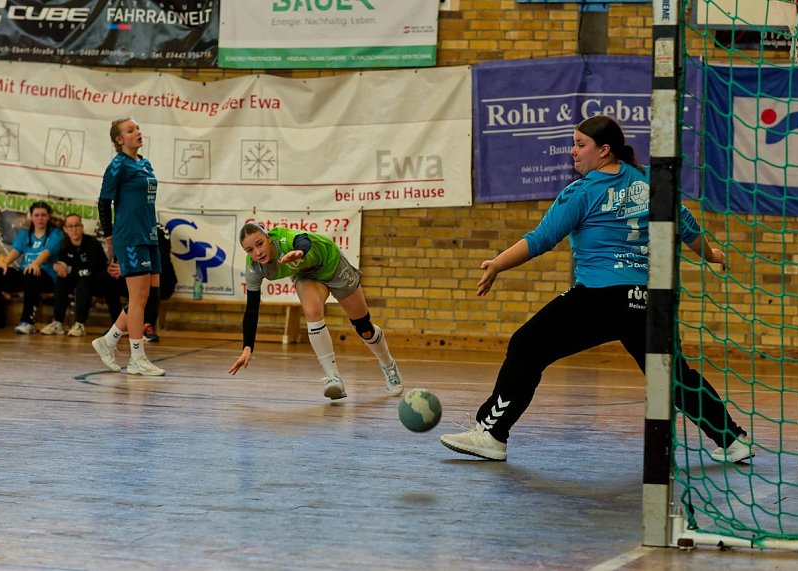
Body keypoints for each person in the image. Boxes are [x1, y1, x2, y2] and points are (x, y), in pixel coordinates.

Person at [440, 115, 753, 464]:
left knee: (526, 346)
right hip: (651, 300)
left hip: (601, 297)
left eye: (579, 144)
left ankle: (491, 434)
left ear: (604, 150)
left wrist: (498, 263)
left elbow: (541, 239)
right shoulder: (651, 179)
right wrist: (711, 255)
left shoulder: (583, 191)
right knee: (675, 377)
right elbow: (687, 224)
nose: (572, 152)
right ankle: (732, 439)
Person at [228, 222, 403, 400]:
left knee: (364, 328)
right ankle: (333, 378)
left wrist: (300, 252)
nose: (257, 252)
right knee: (311, 311)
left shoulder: (283, 238)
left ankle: (389, 365)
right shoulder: (254, 268)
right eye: (250, 249)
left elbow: (303, 240)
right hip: (306, 275)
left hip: (331, 264)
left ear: (268, 238)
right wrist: (248, 347)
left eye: (260, 243)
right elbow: (252, 308)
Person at [91, 118, 165, 376]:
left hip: (149, 234)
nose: (138, 132)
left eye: (138, 128)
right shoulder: (117, 166)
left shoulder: (144, 163)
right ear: (119, 140)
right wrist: (109, 235)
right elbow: (103, 202)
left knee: (150, 296)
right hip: (129, 236)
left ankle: (108, 341)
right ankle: (137, 358)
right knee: (137, 298)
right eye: (131, 130)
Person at [0, 201, 63, 334]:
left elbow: (48, 251)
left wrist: (36, 263)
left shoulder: (56, 234)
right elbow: (16, 250)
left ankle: (28, 322)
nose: (40, 218)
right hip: (25, 274)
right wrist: (5, 263)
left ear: (48, 217)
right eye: (36, 215)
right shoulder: (25, 234)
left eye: (43, 215)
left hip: (46, 277)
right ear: (31, 217)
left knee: (31, 273)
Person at [40, 213, 122, 337]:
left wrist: (69, 270)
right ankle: (57, 322)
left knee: (84, 282)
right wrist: (60, 268)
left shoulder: (92, 243)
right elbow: (64, 265)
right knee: (61, 281)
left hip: (97, 281)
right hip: (77, 279)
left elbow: (91, 270)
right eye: (70, 226)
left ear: (82, 227)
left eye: (77, 225)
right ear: (65, 229)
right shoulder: (64, 244)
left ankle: (80, 324)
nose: (74, 229)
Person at [106, 223, 176, 343]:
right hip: (133, 274)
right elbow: (118, 258)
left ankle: (147, 326)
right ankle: (119, 325)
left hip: (160, 277)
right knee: (108, 280)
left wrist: (126, 268)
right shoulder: (124, 228)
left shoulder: (158, 230)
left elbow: (159, 259)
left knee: (151, 283)